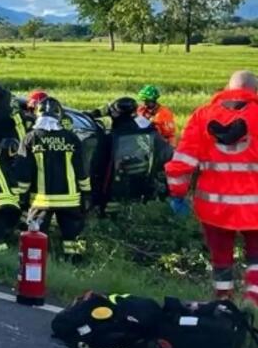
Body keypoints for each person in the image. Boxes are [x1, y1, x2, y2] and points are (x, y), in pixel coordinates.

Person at [165, 71, 258, 306]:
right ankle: (253, 303)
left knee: (221, 257)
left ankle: (223, 301)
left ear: (228, 87)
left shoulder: (203, 116)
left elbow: (183, 161)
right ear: (254, 92)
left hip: (214, 208)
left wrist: (178, 194)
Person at [13, 97, 91, 262]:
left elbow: (23, 173)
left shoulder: (31, 138)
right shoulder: (71, 138)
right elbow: (82, 170)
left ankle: (39, 265)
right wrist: (86, 193)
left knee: (36, 237)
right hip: (70, 200)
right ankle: (76, 266)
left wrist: (20, 197)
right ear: (59, 115)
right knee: (74, 237)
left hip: (42, 201)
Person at [88, 97, 172, 212]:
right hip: (144, 192)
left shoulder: (108, 138)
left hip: (113, 195)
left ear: (115, 114)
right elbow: (167, 155)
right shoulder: (149, 132)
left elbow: (96, 169)